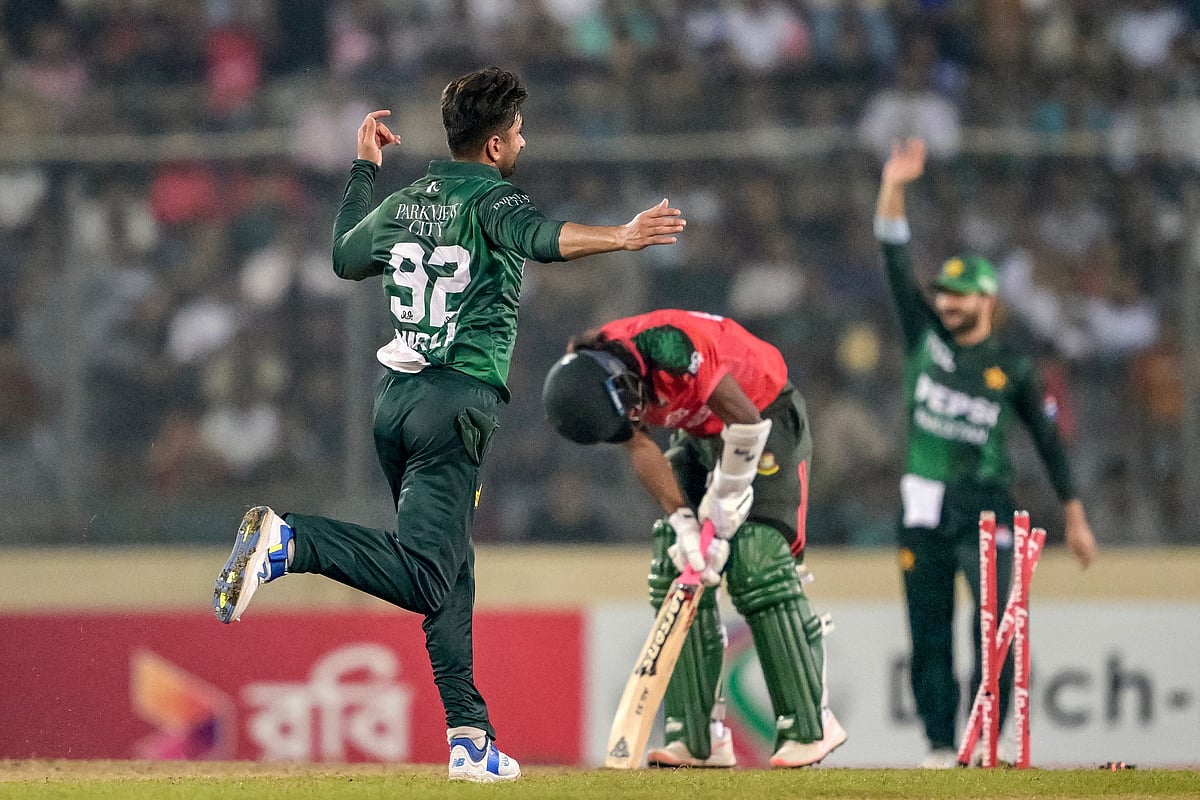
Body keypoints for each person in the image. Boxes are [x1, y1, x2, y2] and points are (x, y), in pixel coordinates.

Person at [211, 67, 686, 783]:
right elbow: (546, 238)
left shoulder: (409, 198)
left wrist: (362, 171)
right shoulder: (496, 199)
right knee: (430, 574)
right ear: (494, 146)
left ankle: (469, 736)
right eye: (518, 131)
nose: (523, 140)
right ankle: (290, 540)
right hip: (454, 404)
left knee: (452, 568)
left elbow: (344, 258)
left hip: (393, 401)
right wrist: (621, 236)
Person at [873, 138, 1098, 768]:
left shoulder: (1012, 366)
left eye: (961, 294)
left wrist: (1075, 514)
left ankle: (984, 746)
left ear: (988, 302)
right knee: (928, 633)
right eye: (943, 291)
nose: (946, 301)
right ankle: (940, 748)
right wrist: (894, 185)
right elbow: (893, 254)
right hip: (922, 507)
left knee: (995, 631)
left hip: (989, 507)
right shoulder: (924, 338)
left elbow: (1049, 440)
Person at [542, 309, 847, 768]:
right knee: (675, 560)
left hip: (764, 417)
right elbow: (642, 447)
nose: (636, 419)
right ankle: (698, 736)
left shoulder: (668, 346)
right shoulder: (599, 384)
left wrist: (724, 503)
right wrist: (685, 521)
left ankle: (811, 724)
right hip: (700, 433)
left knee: (756, 560)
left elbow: (745, 422)